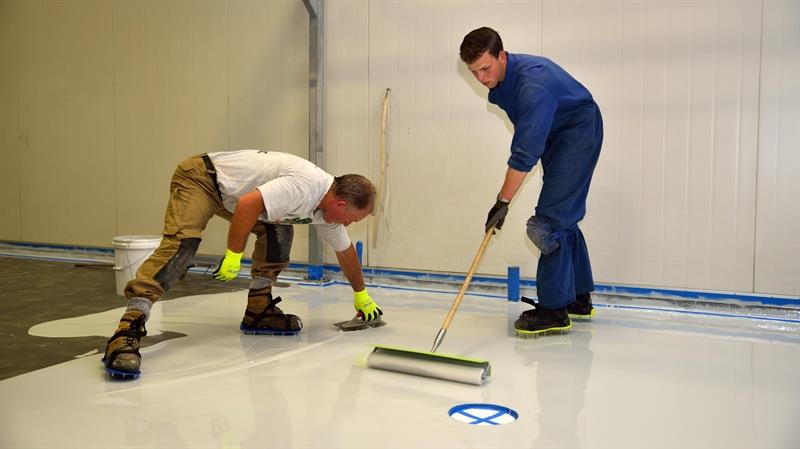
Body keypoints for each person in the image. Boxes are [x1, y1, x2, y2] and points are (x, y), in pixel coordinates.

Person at [103, 150, 382, 378]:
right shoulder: (305, 186)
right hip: (202, 178)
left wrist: (361, 295)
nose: (348, 225)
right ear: (342, 204)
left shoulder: (327, 212)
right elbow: (248, 204)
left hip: (231, 193)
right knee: (183, 243)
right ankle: (128, 328)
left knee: (278, 229)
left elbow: (345, 252)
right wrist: (233, 255)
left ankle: (259, 309)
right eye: (352, 220)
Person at [459, 27, 603, 336]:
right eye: (474, 72)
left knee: (546, 224)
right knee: (562, 216)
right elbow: (529, 138)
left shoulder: (532, 85)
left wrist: (502, 202)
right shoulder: (505, 80)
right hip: (557, 136)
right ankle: (578, 298)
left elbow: (524, 154)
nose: (482, 79)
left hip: (577, 133)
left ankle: (553, 310)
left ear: (502, 56)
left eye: (486, 68)